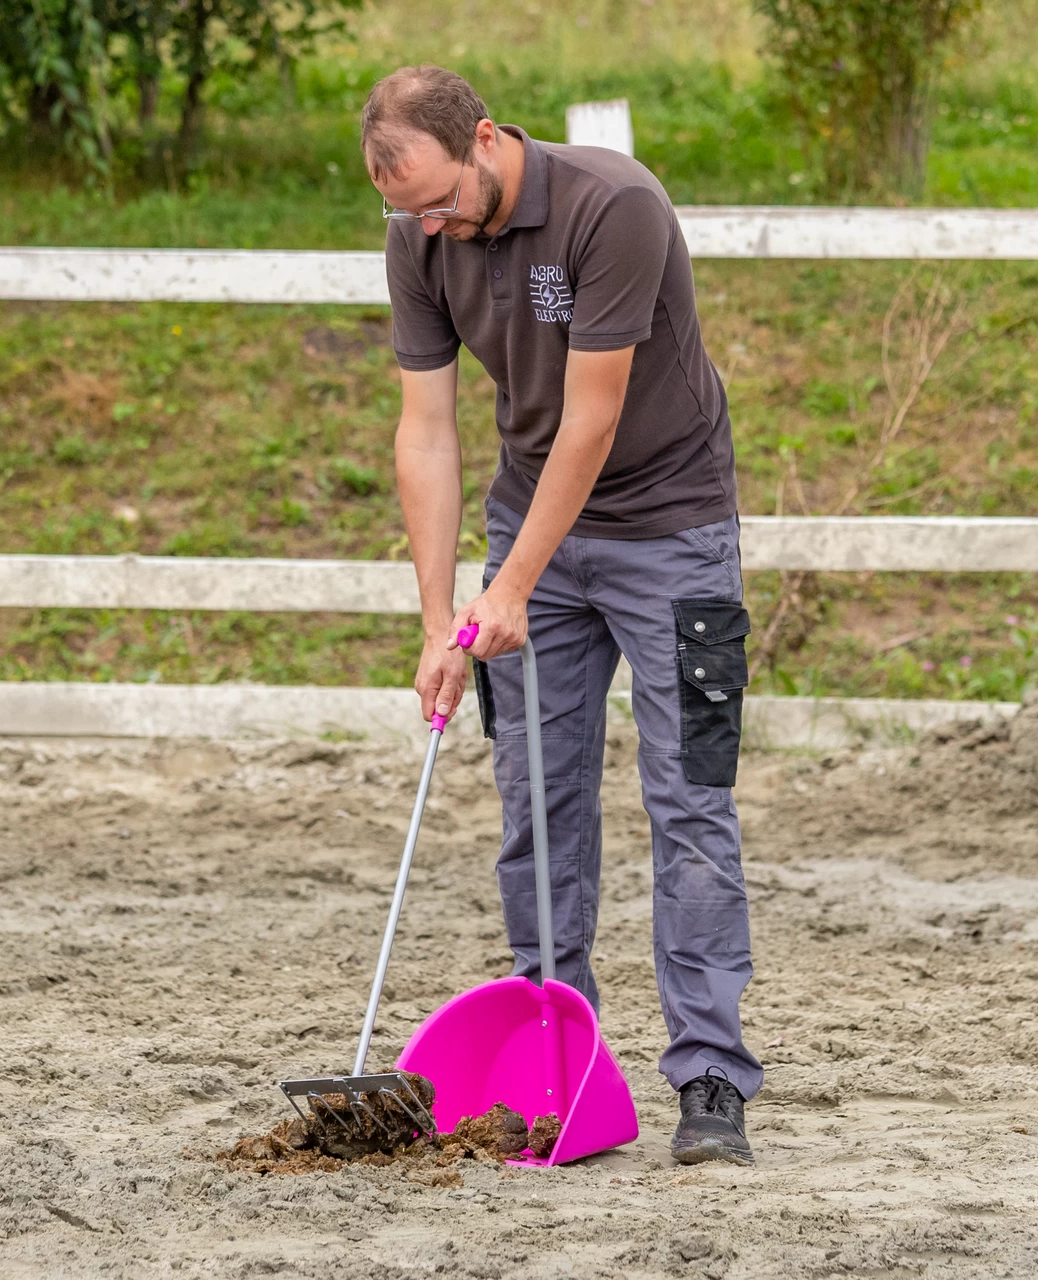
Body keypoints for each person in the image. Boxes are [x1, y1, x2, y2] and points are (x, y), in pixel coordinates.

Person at [361, 65, 762, 1167]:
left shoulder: (610, 206)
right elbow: (426, 431)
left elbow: (590, 420)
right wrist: (441, 615)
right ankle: (560, 1065)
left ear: (485, 140)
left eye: (439, 200)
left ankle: (711, 1075)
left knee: (688, 804)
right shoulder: (418, 237)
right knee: (536, 802)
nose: (429, 226)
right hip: (531, 536)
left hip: (670, 532)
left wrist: (513, 582)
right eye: (408, 214)